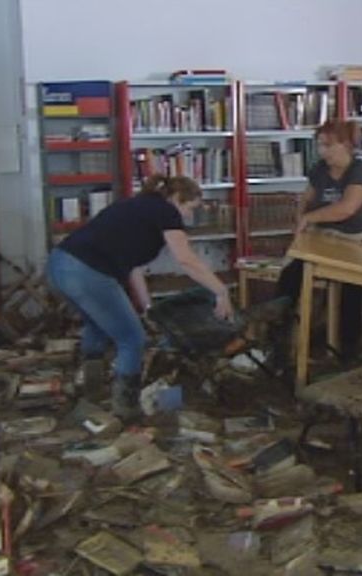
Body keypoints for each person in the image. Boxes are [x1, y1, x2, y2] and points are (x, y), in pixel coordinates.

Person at [46, 175, 234, 420]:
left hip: (59, 265)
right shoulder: (166, 211)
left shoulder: (137, 205)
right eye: (191, 208)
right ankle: (127, 409)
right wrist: (221, 291)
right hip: (87, 272)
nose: (188, 217)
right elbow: (186, 259)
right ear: (177, 198)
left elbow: (132, 267)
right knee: (132, 339)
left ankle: (89, 392)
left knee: (98, 326)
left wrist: (146, 307)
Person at [274, 119, 362, 361]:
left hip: (357, 237)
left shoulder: (360, 170)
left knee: (351, 284)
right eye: (319, 145)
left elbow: (348, 208)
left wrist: (311, 217)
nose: (322, 151)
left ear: (345, 145)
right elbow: (306, 199)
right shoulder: (320, 169)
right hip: (323, 235)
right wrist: (301, 219)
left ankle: (348, 348)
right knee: (292, 273)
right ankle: (280, 336)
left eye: (327, 146)